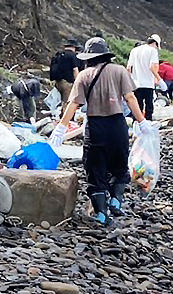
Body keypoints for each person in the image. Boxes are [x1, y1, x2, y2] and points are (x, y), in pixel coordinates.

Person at [57, 37, 145, 226]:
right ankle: (116, 200)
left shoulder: (84, 75)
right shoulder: (120, 71)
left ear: (88, 57)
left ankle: (102, 214)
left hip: (95, 126)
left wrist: (61, 127)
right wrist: (142, 122)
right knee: (119, 165)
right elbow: (130, 98)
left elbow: (74, 104)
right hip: (117, 125)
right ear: (106, 54)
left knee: (95, 169)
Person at [48, 38, 81, 112]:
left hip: (57, 82)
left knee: (61, 101)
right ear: (74, 47)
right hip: (67, 83)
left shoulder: (58, 54)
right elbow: (75, 70)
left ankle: (59, 116)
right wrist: (78, 82)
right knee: (68, 102)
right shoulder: (72, 56)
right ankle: (66, 121)